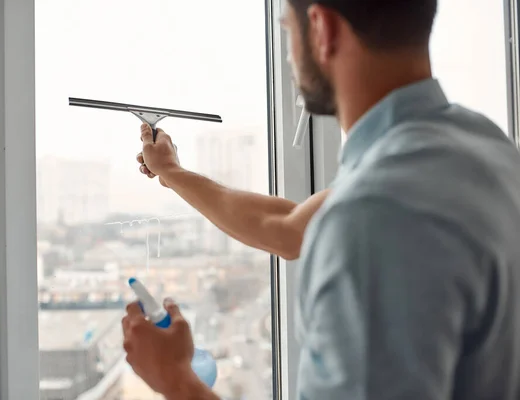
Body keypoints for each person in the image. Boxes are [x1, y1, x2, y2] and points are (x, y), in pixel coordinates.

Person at [122, 0, 520, 398]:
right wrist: (172, 173)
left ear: (321, 29)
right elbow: (286, 227)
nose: (290, 56)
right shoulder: (482, 145)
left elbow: (351, 224)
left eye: (287, 30)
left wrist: (176, 379)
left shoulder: (372, 215)